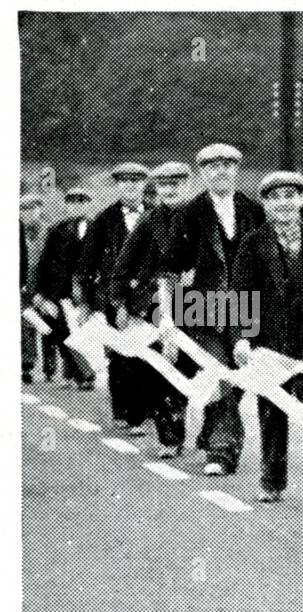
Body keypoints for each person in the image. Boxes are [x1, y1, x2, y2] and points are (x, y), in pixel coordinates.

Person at [231, 171, 303, 505]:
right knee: (272, 410)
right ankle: (272, 479)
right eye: (276, 197)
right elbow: (241, 293)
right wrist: (242, 337)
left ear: (301, 199)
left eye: (290, 195)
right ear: (266, 204)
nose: (284, 202)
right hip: (270, 340)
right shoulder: (253, 243)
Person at [163, 143, 265, 475]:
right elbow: (170, 272)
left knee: (238, 378)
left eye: (227, 164)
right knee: (218, 370)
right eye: (212, 166)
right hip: (200, 308)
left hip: (244, 306)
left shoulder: (253, 210)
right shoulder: (188, 214)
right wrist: (170, 323)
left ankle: (212, 430)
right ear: (203, 173)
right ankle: (222, 451)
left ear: (236, 169)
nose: (220, 171)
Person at [109, 161, 195, 457]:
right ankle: (170, 436)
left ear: (188, 184)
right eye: (163, 185)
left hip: (200, 304)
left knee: (197, 369)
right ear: (155, 189)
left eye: (176, 184)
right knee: (160, 370)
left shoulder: (201, 217)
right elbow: (123, 264)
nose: (170, 190)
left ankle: (205, 430)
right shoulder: (149, 221)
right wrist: (120, 303)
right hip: (156, 304)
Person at [77, 161, 150, 430]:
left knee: (146, 354)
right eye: (125, 181)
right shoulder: (104, 220)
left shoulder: (155, 215)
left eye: (136, 181)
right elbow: (86, 263)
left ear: (144, 184)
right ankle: (127, 411)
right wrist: (84, 301)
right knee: (121, 356)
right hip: (114, 297)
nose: (131, 185)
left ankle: (141, 408)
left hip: (148, 296)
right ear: (118, 186)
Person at [33, 187, 96, 387]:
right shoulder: (56, 230)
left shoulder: (98, 228)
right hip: (60, 292)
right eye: (72, 203)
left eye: (81, 202)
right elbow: (44, 262)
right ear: (67, 206)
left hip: (87, 291)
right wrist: (39, 293)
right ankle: (78, 374)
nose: (76, 206)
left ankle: (83, 374)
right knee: (63, 332)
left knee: (84, 332)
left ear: (88, 204)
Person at [20, 193, 49, 385]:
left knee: (48, 326)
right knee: (27, 326)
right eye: (25, 209)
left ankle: (50, 366)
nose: (30, 213)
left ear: (40, 209)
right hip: (24, 285)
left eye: (33, 208)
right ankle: (27, 365)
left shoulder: (48, 231)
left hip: (45, 286)